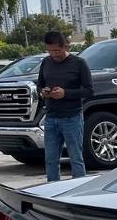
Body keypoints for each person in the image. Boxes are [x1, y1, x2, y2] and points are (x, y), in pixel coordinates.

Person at [37, 31, 93, 182]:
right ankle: (52, 190)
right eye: (49, 51)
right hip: (51, 118)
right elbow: (40, 85)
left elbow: (89, 91)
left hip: (72, 118)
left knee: (76, 158)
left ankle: (78, 192)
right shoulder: (46, 62)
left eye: (56, 51)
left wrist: (65, 93)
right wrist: (43, 92)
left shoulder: (79, 63)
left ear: (65, 47)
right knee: (50, 159)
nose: (54, 55)